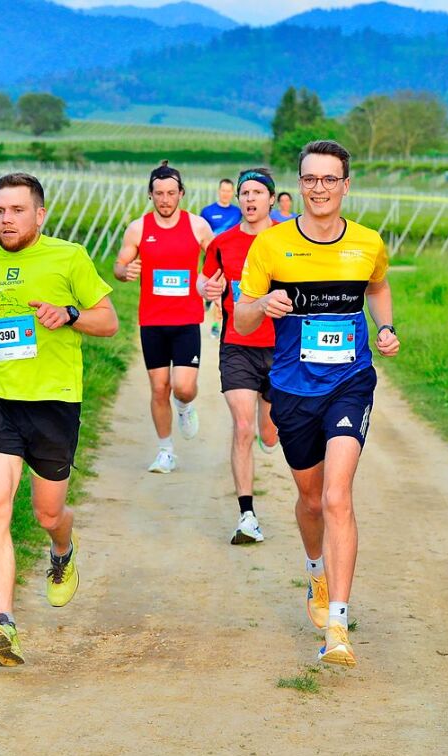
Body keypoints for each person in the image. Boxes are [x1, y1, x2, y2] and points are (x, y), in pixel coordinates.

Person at [235, 140, 400, 668]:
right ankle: (316, 574)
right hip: (291, 387)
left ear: (346, 186)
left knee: (336, 497)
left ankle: (338, 628)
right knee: (309, 502)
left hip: (350, 382)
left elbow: (378, 288)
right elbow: (241, 320)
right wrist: (263, 304)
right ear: (300, 183)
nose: (320, 188)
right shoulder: (272, 246)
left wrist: (386, 326)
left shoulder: (368, 243)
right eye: (311, 179)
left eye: (331, 179)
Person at [0, 172, 119, 667]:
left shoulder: (69, 257)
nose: (7, 219)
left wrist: (68, 314)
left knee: (47, 514)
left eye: (17, 211)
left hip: (55, 402)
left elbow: (107, 320)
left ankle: (62, 551)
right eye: (0, 211)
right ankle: (3, 623)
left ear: (39, 214)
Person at [114, 161, 214, 473]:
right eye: (159, 193)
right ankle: (166, 451)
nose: (165, 199)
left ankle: (184, 406)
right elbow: (119, 264)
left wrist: (209, 280)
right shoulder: (139, 228)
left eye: (171, 193)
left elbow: (216, 259)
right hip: (153, 321)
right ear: (150, 195)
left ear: (181, 194)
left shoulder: (197, 226)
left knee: (181, 387)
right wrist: (124, 271)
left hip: (186, 320)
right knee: (159, 388)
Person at [199, 168, 280, 545]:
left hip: (282, 348)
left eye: (257, 193)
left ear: (270, 199)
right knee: (243, 427)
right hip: (237, 345)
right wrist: (205, 288)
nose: (249, 199)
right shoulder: (222, 242)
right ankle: (247, 515)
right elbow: (205, 282)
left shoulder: (287, 240)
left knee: (270, 432)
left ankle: (272, 420)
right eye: (244, 192)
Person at [200, 179, 241, 338]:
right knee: (215, 290)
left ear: (232, 193)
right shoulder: (207, 211)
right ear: (219, 191)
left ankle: (216, 326)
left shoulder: (238, 212)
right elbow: (202, 236)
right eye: (223, 190)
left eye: (229, 191)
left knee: (224, 292)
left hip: (231, 260)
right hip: (212, 258)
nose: (226, 194)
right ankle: (209, 300)